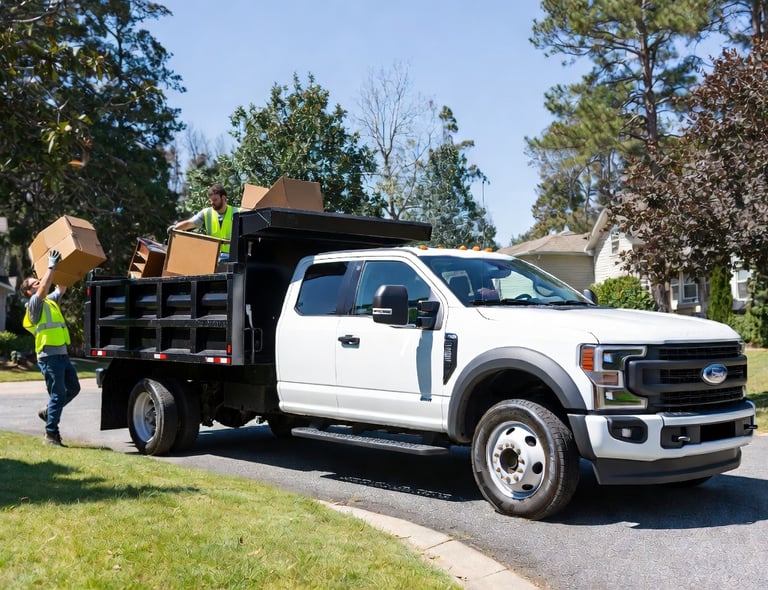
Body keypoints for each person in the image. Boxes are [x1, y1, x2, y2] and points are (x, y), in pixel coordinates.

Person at [20, 249, 81, 447]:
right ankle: (51, 434)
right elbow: (45, 287)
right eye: (35, 283)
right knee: (58, 394)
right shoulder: (34, 304)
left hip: (61, 354)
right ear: (29, 291)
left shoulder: (50, 302)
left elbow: (61, 287)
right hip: (48, 356)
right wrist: (50, 265)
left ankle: (48, 413)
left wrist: (62, 267)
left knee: (74, 388)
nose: (39, 282)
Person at [168, 183, 241, 261]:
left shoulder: (238, 212)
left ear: (223, 197)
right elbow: (190, 223)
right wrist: (175, 227)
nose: (212, 203)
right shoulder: (206, 213)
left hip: (233, 258)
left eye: (215, 200)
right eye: (211, 201)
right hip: (213, 257)